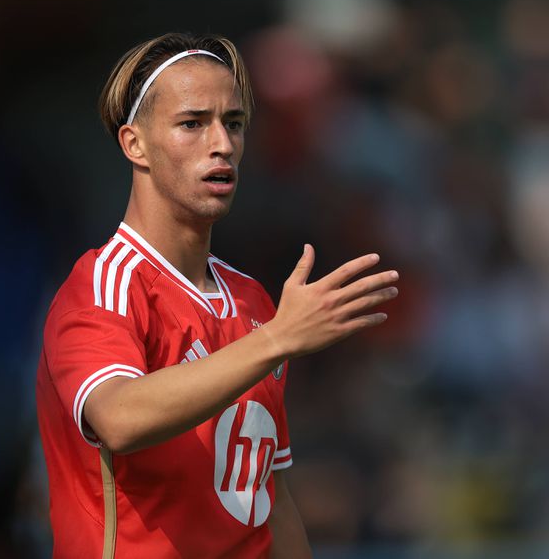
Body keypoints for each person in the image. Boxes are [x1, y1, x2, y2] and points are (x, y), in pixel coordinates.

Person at [35, 32, 399, 558]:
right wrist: (277, 340)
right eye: (192, 123)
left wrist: (273, 335)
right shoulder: (103, 283)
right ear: (134, 143)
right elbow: (119, 418)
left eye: (233, 123)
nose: (222, 144)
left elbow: (267, 499)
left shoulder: (253, 301)